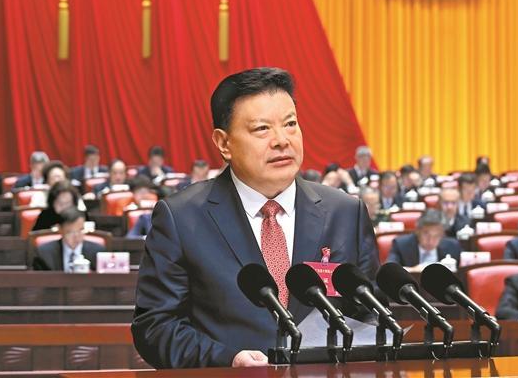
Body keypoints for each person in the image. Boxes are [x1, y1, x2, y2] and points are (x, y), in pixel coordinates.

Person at [131, 67, 379, 369]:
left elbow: (369, 315)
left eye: (290, 124)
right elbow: (156, 327)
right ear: (224, 143)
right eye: (262, 129)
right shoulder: (182, 218)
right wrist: (229, 361)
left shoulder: (345, 213)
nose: (282, 140)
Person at [32, 207, 105, 271]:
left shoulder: (98, 252)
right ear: (60, 230)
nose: (76, 236)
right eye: (70, 232)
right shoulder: (44, 254)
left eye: (81, 230)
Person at [386, 209, 461, 268]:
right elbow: (390, 270)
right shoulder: (401, 245)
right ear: (417, 231)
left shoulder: (453, 246)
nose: (431, 241)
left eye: (436, 236)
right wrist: (413, 270)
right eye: (426, 234)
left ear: (442, 234)